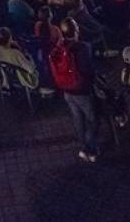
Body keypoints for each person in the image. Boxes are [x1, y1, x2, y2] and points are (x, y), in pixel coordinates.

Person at [49, 18, 99, 162]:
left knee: (77, 118)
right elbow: (88, 70)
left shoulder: (59, 47)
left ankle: (83, 147)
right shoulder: (82, 47)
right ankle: (91, 149)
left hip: (66, 89)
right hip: (82, 91)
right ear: (76, 30)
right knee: (92, 119)